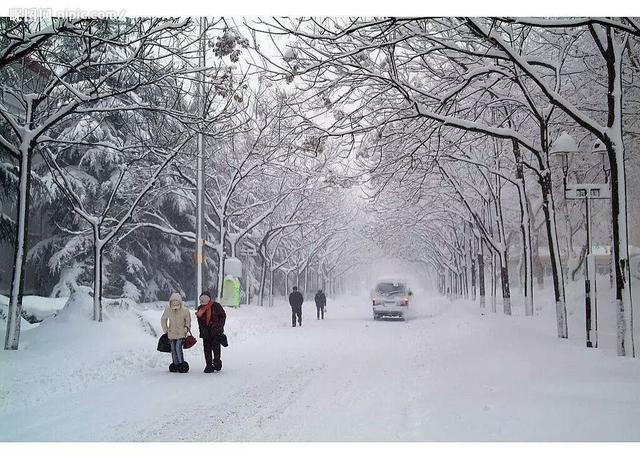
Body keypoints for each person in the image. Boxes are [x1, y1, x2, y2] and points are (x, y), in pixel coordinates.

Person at [196, 290, 226, 373]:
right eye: (201, 298)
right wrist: (202, 331)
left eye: (205, 298)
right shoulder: (200, 308)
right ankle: (208, 365)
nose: (203, 300)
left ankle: (217, 362)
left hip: (215, 332)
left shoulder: (216, 306)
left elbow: (223, 316)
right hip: (206, 332)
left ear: (209, 299)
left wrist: (219, 328)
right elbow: (199, 322)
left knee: (216, 348)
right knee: (207, 349)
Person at [161, 292, 191, 373]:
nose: (175, 306)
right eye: (173, 303)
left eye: (176, 303)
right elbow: (163, 319)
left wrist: (186, 328)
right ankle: (175, 364)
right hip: (171, 333)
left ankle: (181, 364)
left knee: (178, 347)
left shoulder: (185, 311)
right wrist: (166, 330)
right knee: (173, 349)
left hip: (181, 333)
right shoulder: (168, 310)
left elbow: (188, 321)